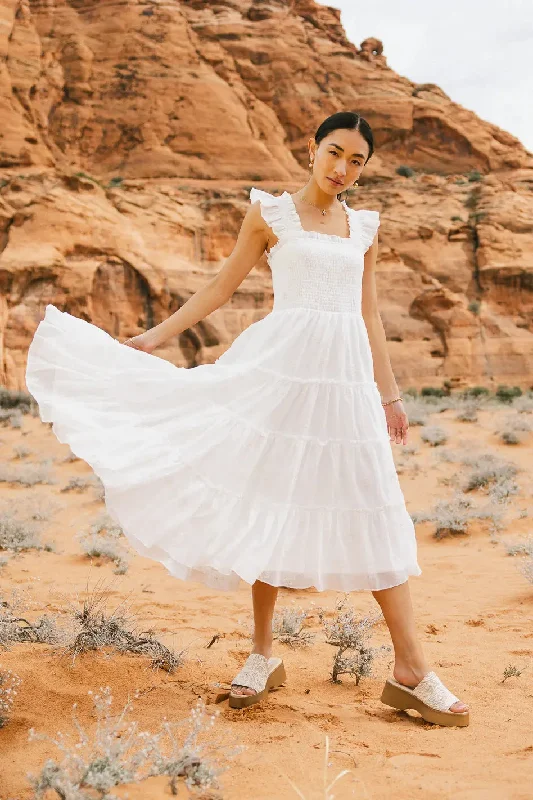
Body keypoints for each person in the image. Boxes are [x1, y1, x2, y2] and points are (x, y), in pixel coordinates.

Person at [25, 111, 469, 726]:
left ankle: (412, 668)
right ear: (311, 148)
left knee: (375, 504)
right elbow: (219, 287)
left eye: (357, 161)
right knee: (269, 500)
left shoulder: (364, 227)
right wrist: (154, 339)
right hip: (278, 375)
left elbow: (370, 319)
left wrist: (389, 396)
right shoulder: (271, 213)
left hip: (344, 383)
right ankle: (262, 654)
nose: (342, 169)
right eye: (334, 152)